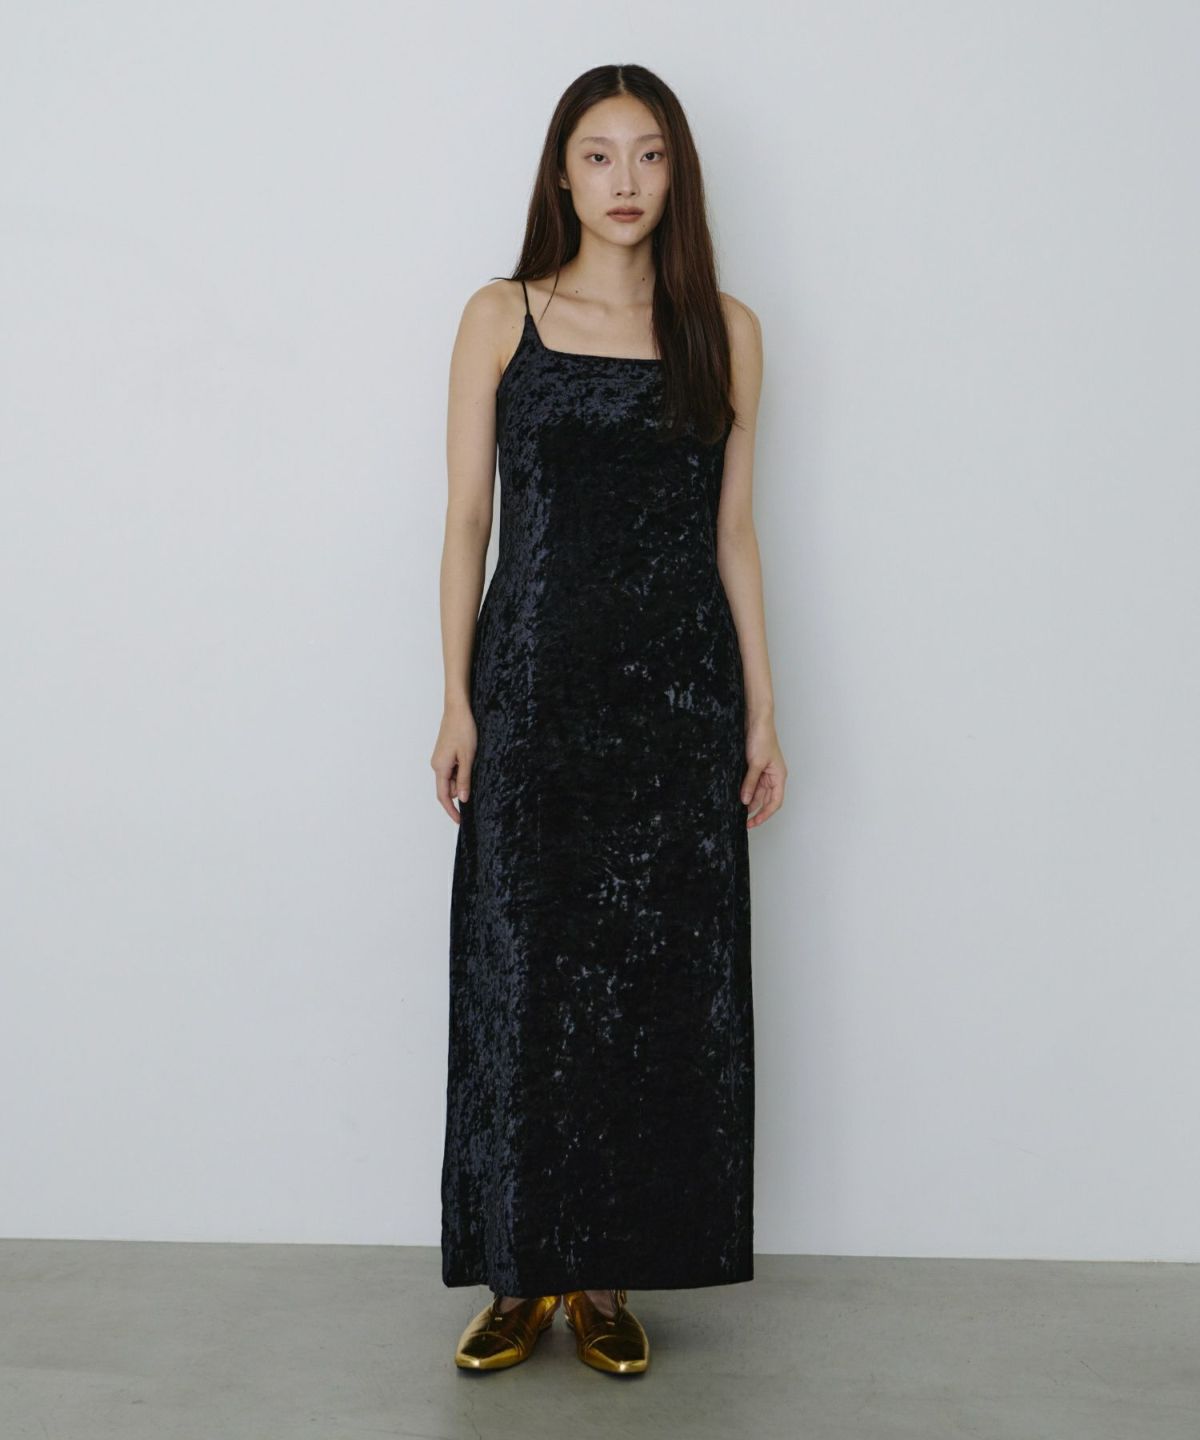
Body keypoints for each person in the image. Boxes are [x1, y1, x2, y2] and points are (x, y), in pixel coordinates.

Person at [431, 62, 786, 1376]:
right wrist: (456, 695)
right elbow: (468, 521)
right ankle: (521, 1273)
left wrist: (762, 712)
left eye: (648, 154)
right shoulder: (501, 315)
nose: (624, 180)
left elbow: (735, 533)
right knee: (523, 978)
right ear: (562, 173)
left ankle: (605, 1279)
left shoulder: (725, 331)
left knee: (649, 992)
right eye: (598, 154)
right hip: (530, 694)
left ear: (676, 172)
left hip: (676, 706)